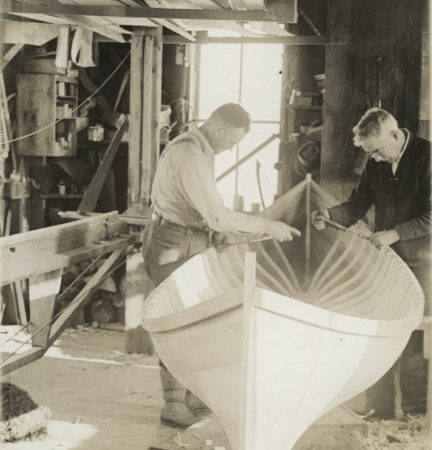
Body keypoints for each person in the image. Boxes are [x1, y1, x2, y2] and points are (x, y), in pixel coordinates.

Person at [143, 103, 301, 428]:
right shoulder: (189, 155)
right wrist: (267, 227)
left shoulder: (201, 149)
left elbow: (205, 210)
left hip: (186, 235)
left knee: (194, 320)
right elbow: (217, 214)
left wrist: (215, 232)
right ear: (217, 127)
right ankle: (173, 403)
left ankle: (188, 394)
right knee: (176, 322)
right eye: (232, 141)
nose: (232, 149)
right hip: (172, 242)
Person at [312, 107, 431, 419]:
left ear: (394, 135)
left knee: (414, 336)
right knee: (379, 328)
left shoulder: (426, 157)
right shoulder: (376, 161)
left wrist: (395, 233)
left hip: (421, 260)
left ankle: (415, 411)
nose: (374, 159)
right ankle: (379, 407)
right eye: (370, 153)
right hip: (387, 259)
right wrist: (330, 215)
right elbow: (356, 204)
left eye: (376, 152)